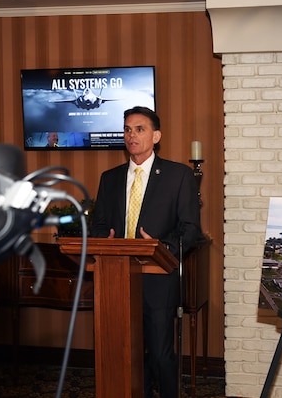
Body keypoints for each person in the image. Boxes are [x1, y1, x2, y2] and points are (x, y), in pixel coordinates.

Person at [90, 106, 201, 398]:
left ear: (156, 136)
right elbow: (99, 224)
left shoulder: (179, 176)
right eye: (127, 129)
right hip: (117, 279)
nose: (131, 135)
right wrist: (106, 239)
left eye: (139, 129)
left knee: (162, 355)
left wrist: (159, 247)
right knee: (127, 353)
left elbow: (190, 229)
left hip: (158, 278)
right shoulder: (109, 178)